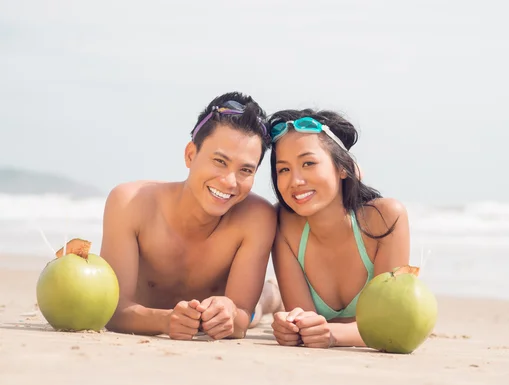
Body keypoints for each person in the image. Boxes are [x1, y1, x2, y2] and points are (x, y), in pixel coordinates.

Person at [101, 91, 281, 341]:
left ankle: (270, 295)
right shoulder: (130, 203)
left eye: (245, 170)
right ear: (190, 154)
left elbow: (240, 320)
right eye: (220, 161)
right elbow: (113, 311)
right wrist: (164, 320)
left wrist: (230, 311)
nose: (230, 181)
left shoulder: (257, 217)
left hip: (228, 311)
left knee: (257, 309)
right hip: (154, 315)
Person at [267, 109, 411, 348]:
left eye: (308, 163)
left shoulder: (385, 219)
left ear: (343, 168)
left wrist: (332, 335)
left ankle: (269, 296)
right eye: (284, 169)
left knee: (270, 298)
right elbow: (304, 321)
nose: (295, 181)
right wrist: (292, 326)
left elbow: (391, 323)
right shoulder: (285, 224)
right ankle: (268, 297)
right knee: (267, 301)